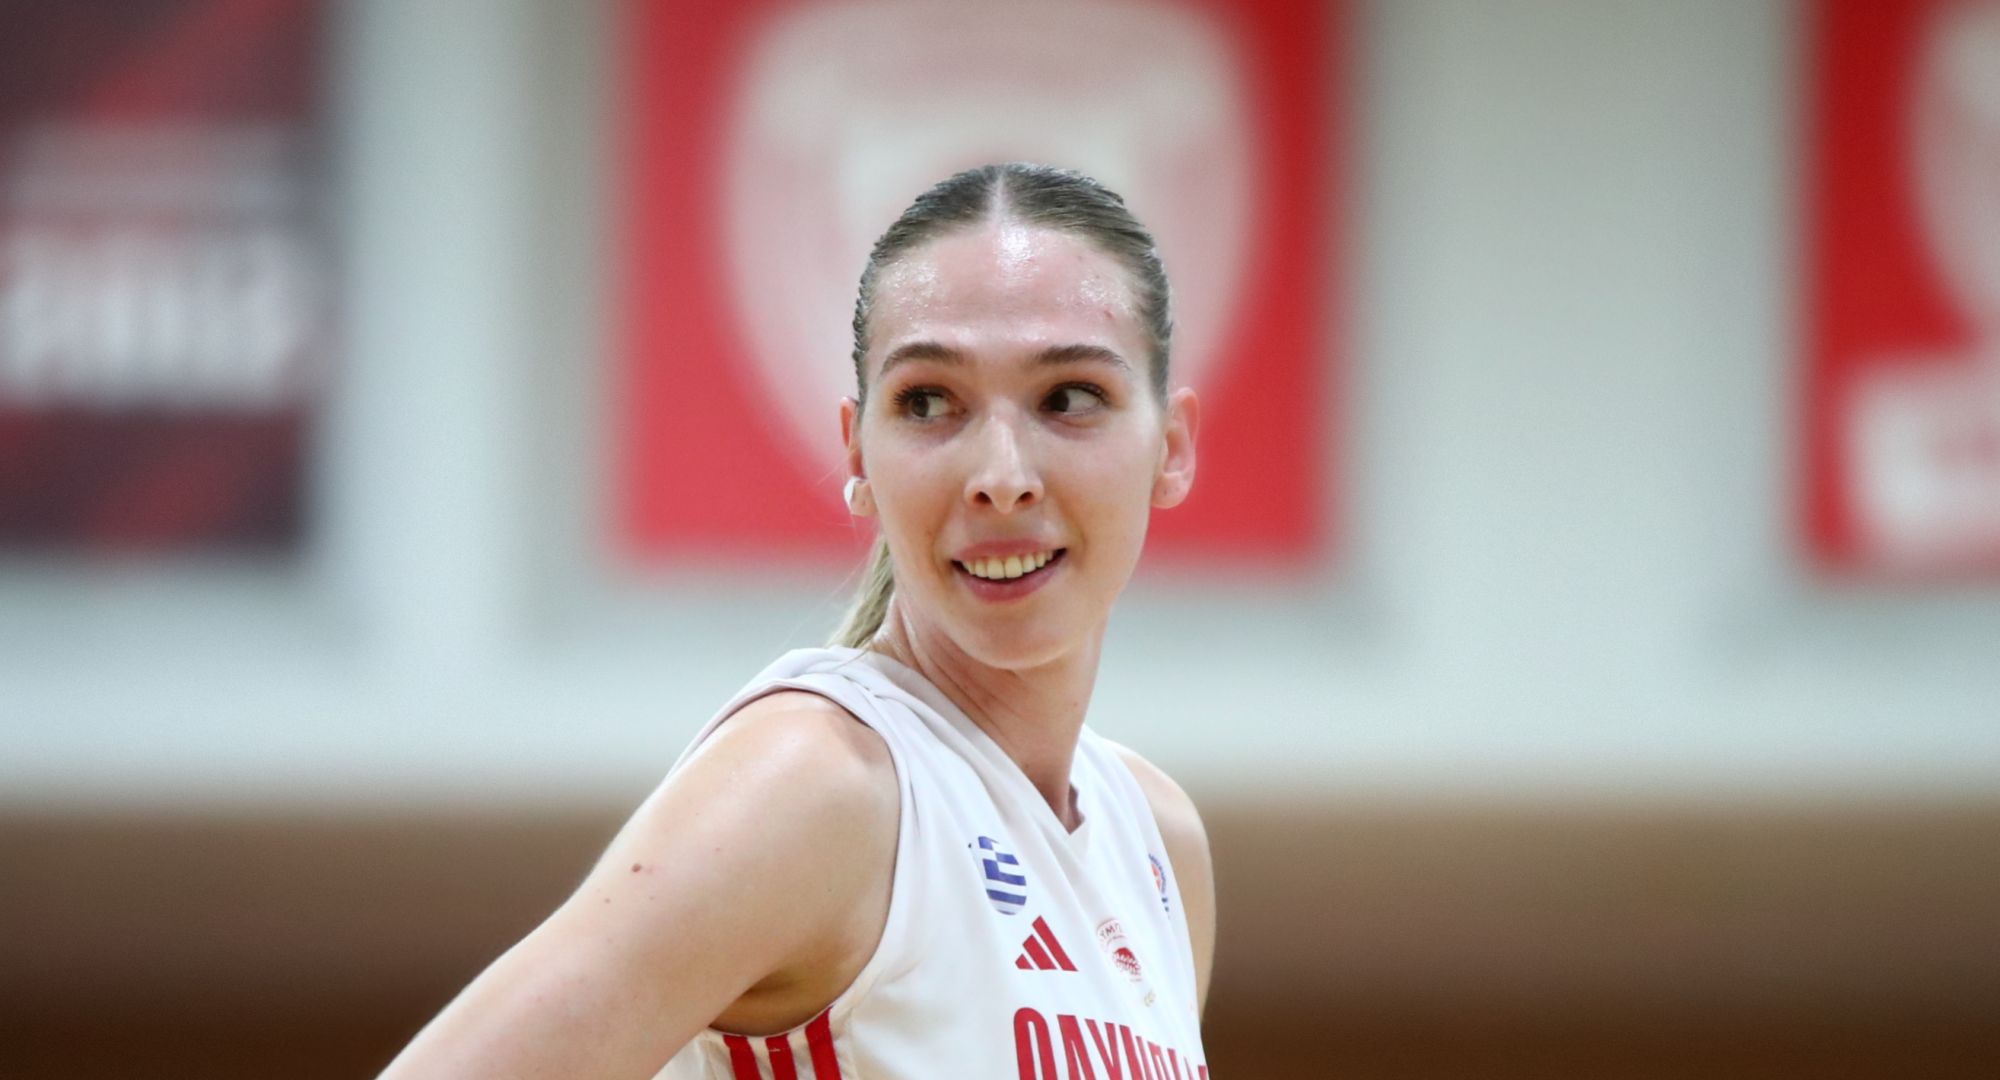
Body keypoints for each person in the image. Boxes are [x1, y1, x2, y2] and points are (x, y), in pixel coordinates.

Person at [379, 162, 1213, 1079]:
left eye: (1070, 398)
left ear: (1171, 449)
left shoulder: (1157, 844)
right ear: (856, 451)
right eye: (929, 401)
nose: (1001, 475)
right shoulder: (817, 783)